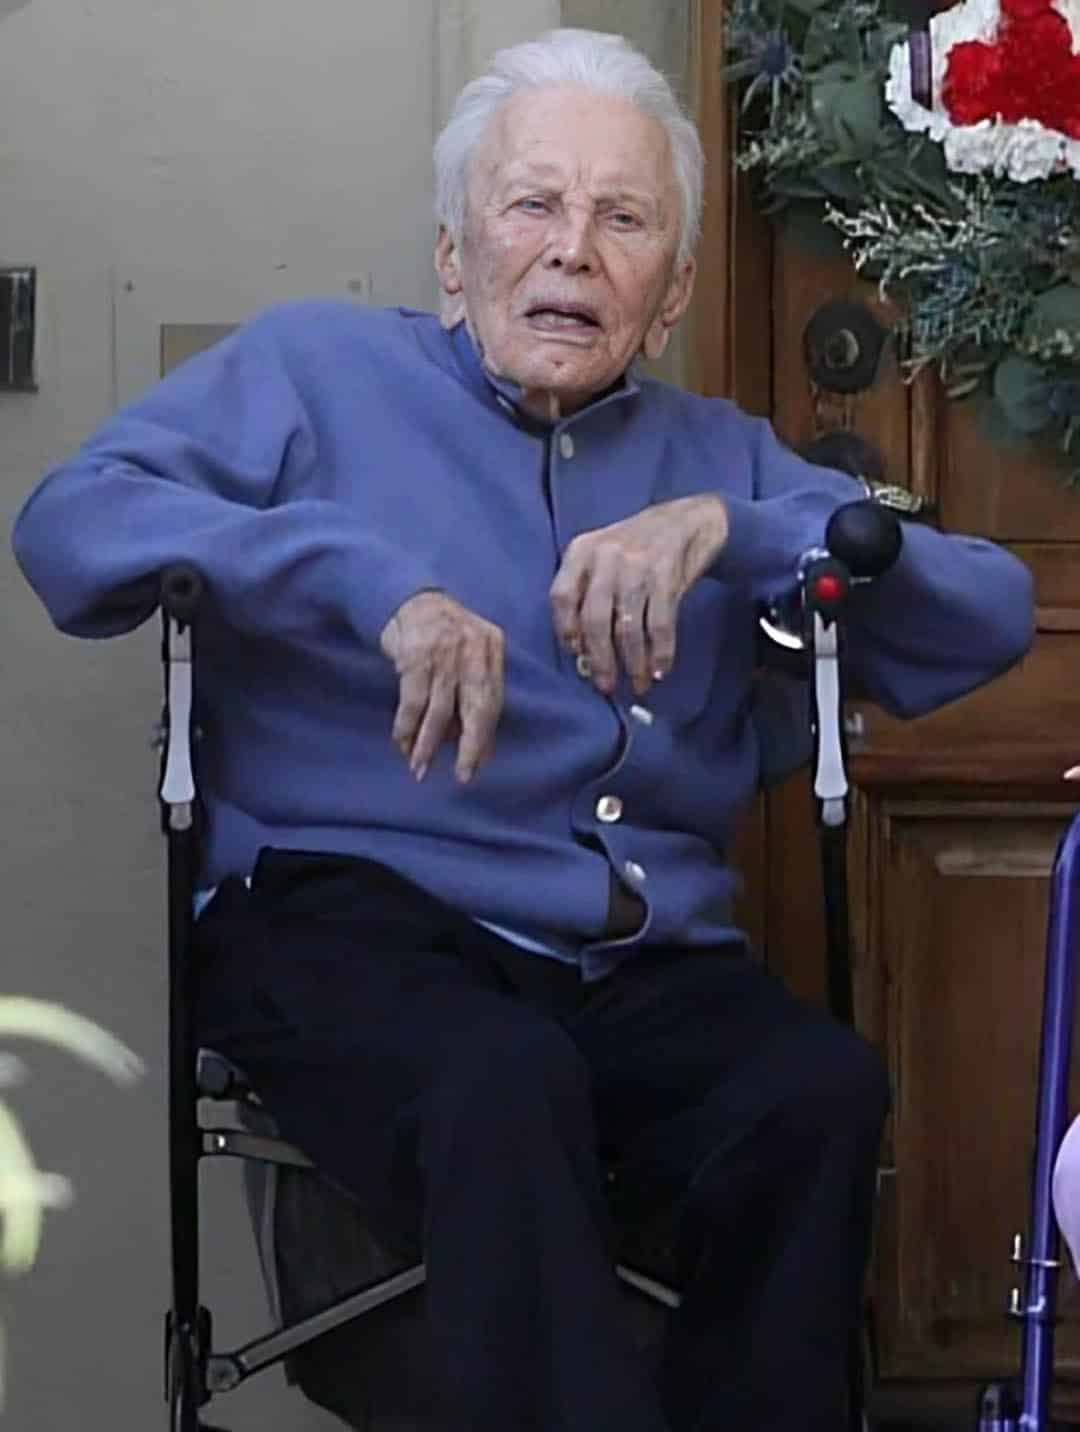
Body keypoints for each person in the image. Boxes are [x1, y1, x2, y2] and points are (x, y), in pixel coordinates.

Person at [12, 27, 1033, 1432]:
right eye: (532, 205)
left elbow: (987, 615)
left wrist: (729, 531)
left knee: (816, 1089)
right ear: (454, 257)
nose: (572, 251)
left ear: (673, 292)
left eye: (623, 220)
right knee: (500, 1080)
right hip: (342, 925)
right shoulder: (315, 373)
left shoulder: (716, 456)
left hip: (629, 961)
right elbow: (71, 526)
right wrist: (366, 583)